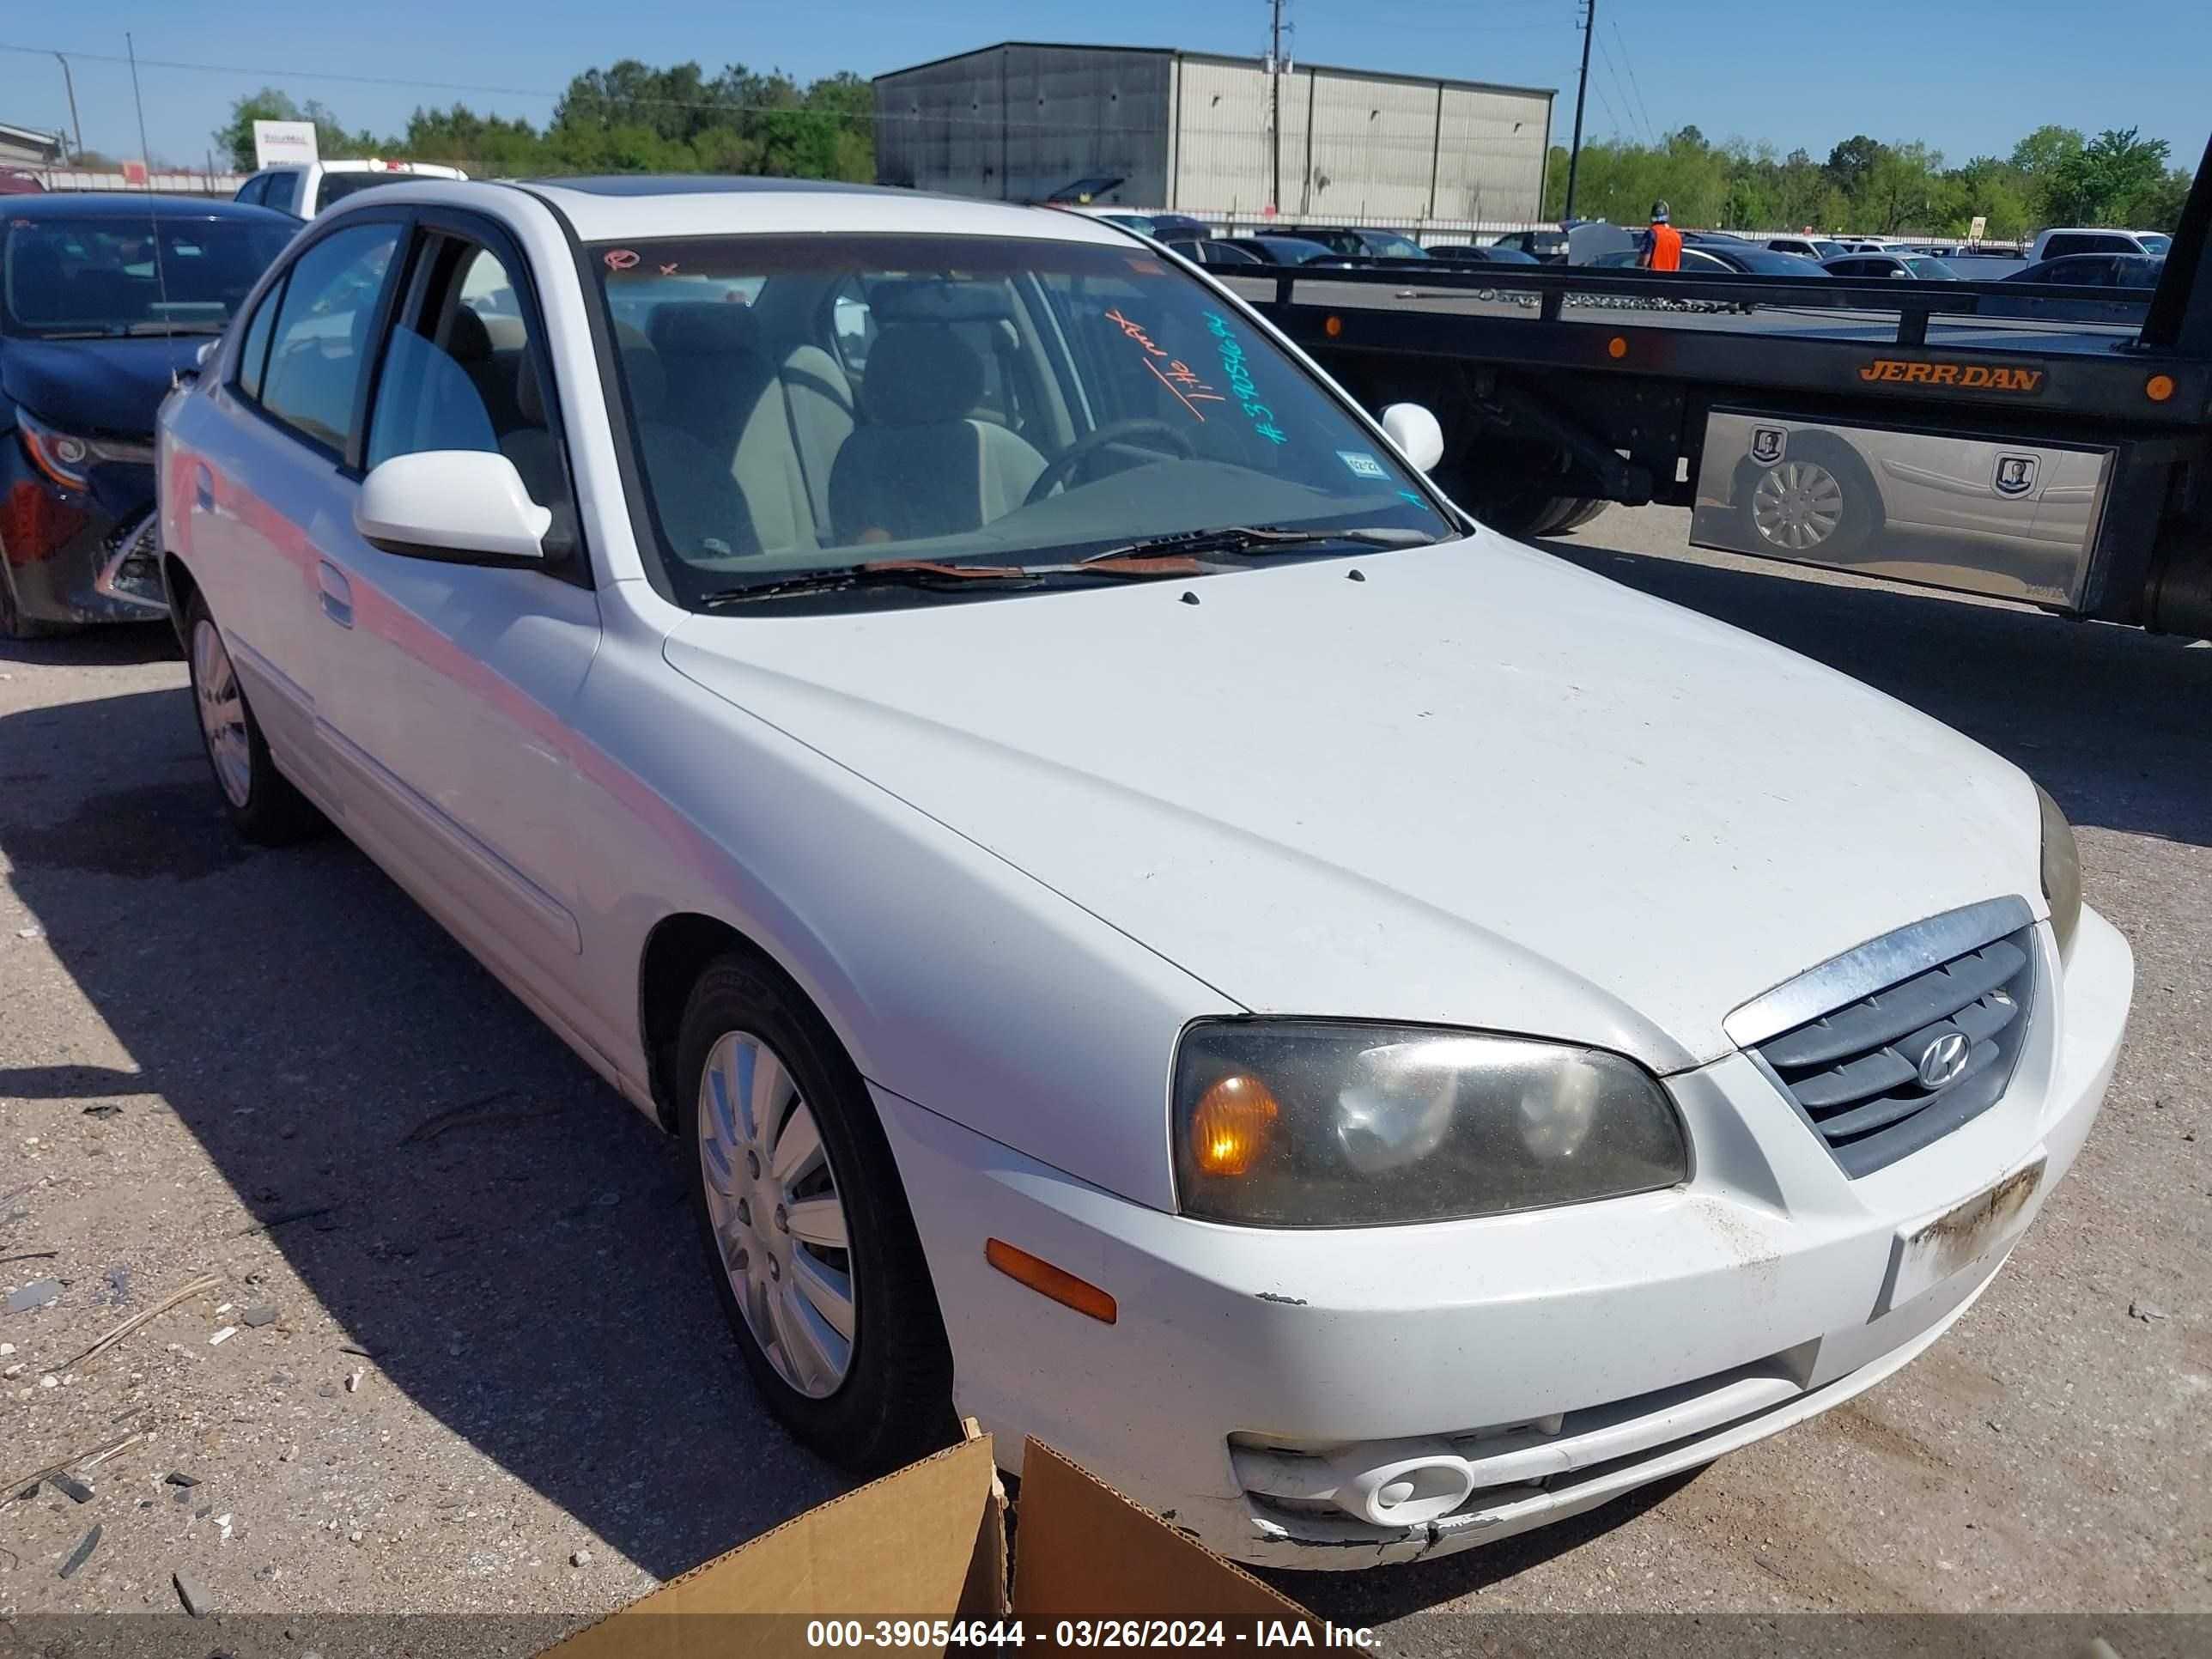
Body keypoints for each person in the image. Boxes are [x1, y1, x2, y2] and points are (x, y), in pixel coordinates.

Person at [1638, 201, 1682, 272]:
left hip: (1654, 279)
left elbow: (1644, 262)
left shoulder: (1651, 233)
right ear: (1668, 216)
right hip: (1671, 280)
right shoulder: (1677, 236)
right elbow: (1677, 265)